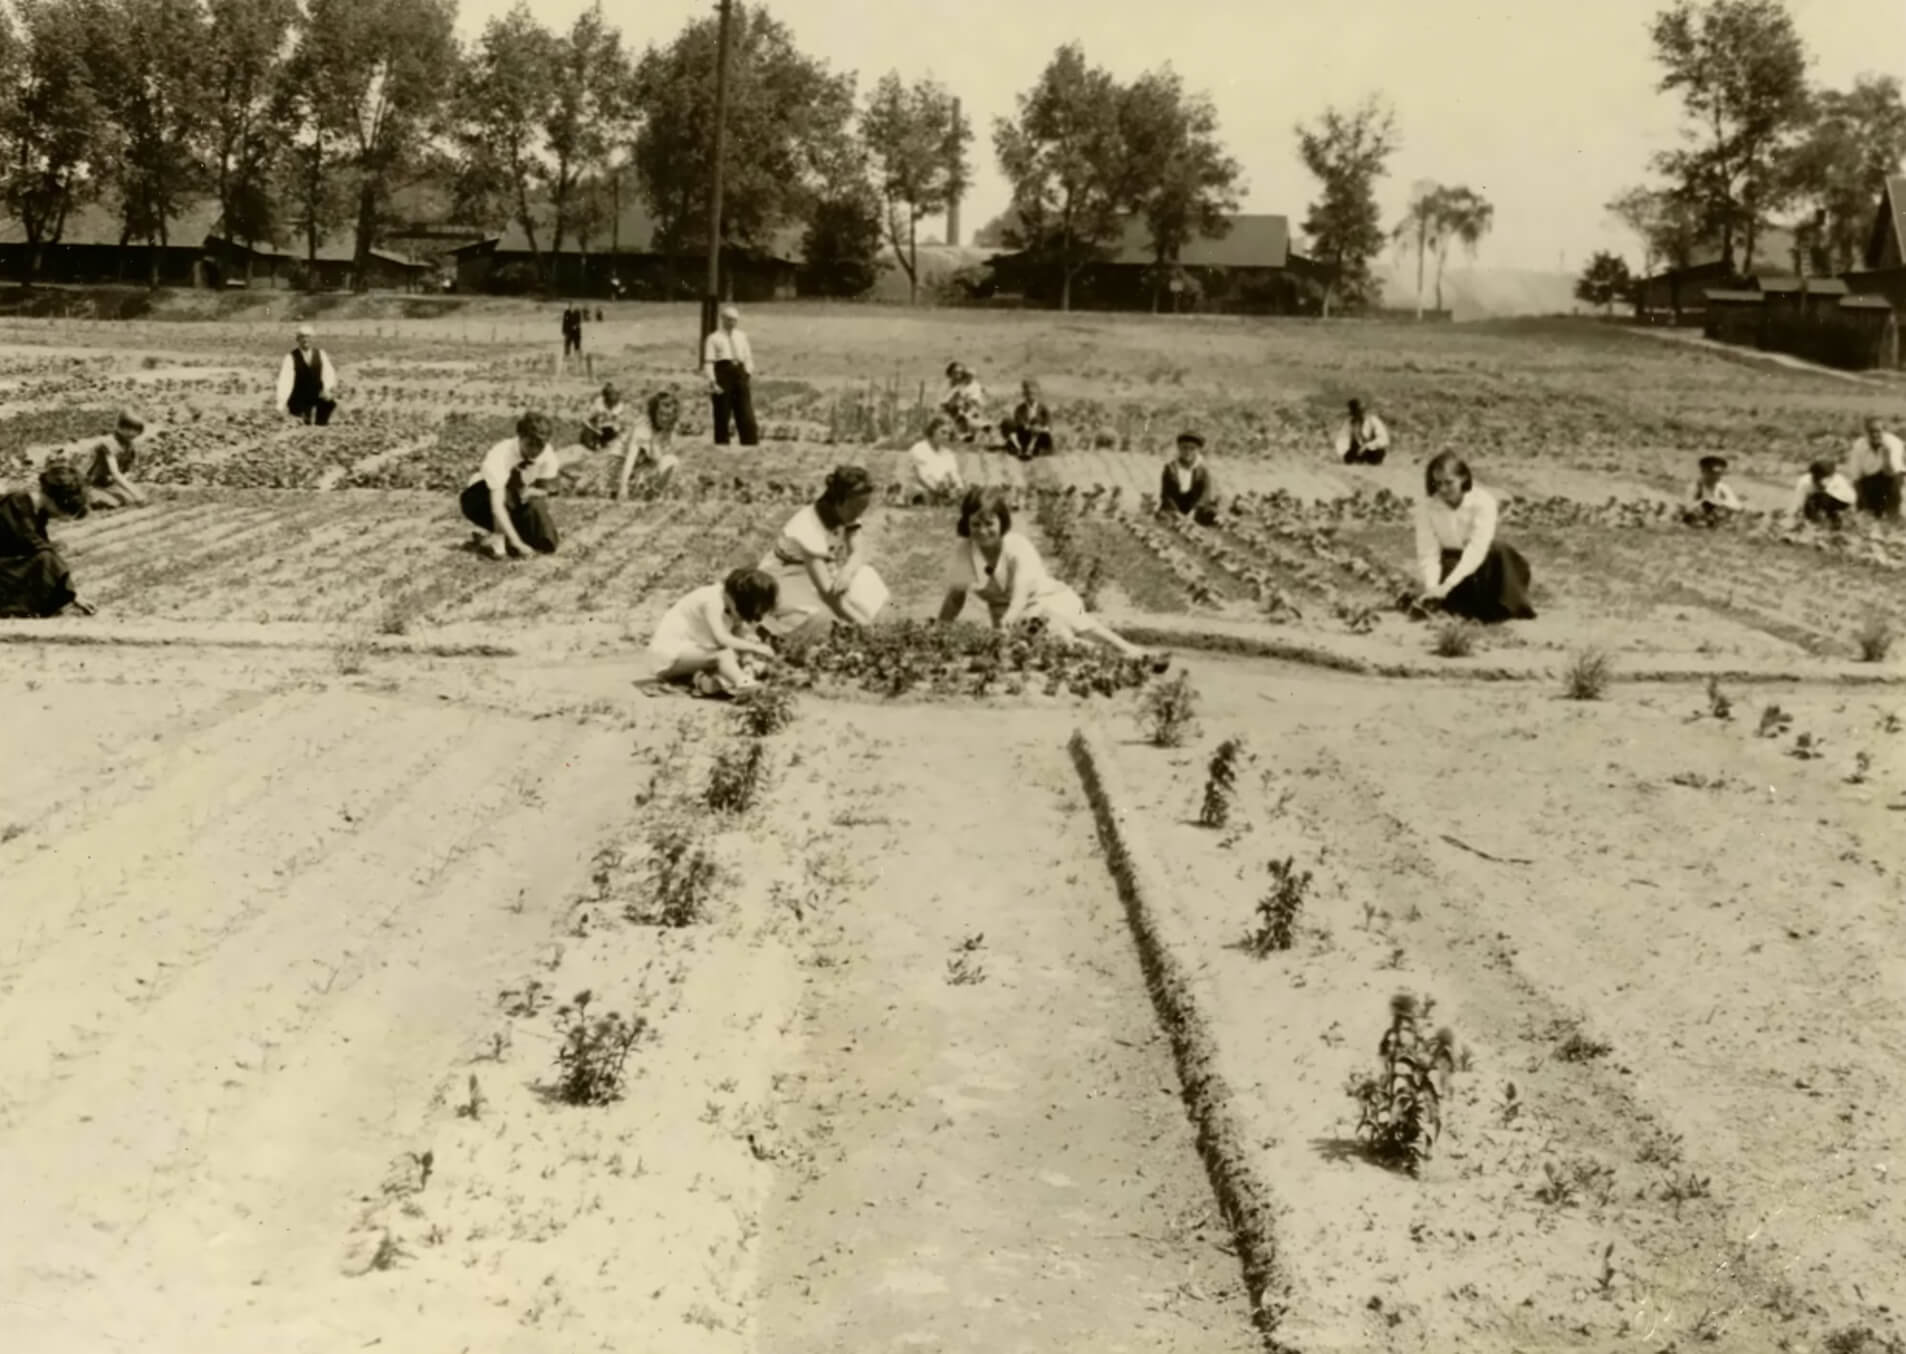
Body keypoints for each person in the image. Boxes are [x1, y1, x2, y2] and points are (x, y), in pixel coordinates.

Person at [939, 487, 1164, 666]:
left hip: (1043, 599)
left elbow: (1019, 596)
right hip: (1006, 613)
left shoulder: (1016, 546)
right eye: (975, 524)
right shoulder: (964, 552)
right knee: (1055, 644)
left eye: (989, 524)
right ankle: (1111, 658)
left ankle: (1132, 651)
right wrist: (939, 632)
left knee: (1080, 626)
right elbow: (954, 599)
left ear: (1002, 522)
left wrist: (1007, 623)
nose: (982, 531)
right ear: (966, 524)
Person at [758, 465, 884, 639]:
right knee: (817, 615)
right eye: (855, 508)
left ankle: (853, 627)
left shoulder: (847, 512)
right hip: (785, 575)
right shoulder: (809, 527)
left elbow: (857, 551)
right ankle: (768, 630)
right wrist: (863, 625)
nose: (858, 514)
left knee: (867, 578)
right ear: (838, 501)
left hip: (817, 571)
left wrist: (847, 572)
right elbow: (828, 593)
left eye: (862, 509)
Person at [1412, 451, 1536, 623]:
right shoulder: (1427, 508)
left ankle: (1503, 607)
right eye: (1437, 483)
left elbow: (1477, 549)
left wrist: (1448, 585)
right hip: (1450, 561)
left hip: (1484, 560)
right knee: (1451, 579)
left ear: (1463, 478)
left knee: (1499, 550)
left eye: (1449, 483)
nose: (1442, 489)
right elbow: (1428, 552)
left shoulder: (1483, 502)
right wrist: (1434, 588)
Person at [645, 567, 780, 697]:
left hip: (693, 653)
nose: (739, 618)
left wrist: (748, 662)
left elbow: (740, 632)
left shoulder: (730, 604)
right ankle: (743, 683)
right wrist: (756, 648)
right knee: (723, 655)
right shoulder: (711, 600)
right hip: (669, 655)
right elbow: (722, 638)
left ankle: (706, 682)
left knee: (751, 662)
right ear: (736, 599)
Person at [459, 410, 569, 559]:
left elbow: (548, 489)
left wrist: (532, 492)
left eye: (540, 445)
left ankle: (490, 539)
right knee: (511, 545)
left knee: (547, 542)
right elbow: (497, 507)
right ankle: (498, 540)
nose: (535, 450)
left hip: (515, 498)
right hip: (480, 499)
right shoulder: (500, 455)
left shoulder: (547, 454)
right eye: (530, 444)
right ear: (520, 437)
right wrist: (518, 543)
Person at [0, 461, 94, 618]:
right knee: (45, 559)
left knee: (46, 558)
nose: (62, 516)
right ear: (51, 498)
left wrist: (74, 595)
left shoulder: (36, 510)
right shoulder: (16, 505)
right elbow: (40, 550)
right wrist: (73, 595)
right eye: (62, 509)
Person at [701, 303, 759, 447]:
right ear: (723, 319)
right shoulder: (713, 338)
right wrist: (713, 381)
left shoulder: (742, 336)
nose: (732, 322)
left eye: (734, 320)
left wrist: (747, 372)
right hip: (722, 372)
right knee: (722, 412)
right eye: (729, 319)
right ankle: (722, 444)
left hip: (739, 373)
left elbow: (748, 357)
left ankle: (749, 443)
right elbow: (709, 362)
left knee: (746, 412)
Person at [615, 391, 684, 500]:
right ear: (653, 412)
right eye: (661, 414)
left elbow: (663, 457)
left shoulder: (669, 427)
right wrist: (623, 486)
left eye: (668, 415)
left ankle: (654, 492)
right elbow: (630, 458)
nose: (664, 418)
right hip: (622, 463)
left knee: (672, 461)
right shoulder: (642, 428)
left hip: (646, 464)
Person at [78, 410, 148, 510]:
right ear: (119, 427)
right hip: (92, 483)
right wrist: (135, 492)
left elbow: (126, 471)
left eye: (135, 430)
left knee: (128, 499)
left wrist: (129, 484)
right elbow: (115, 473)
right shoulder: (109, 443)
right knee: (112, 503)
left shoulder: (128, 445)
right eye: (127, 428)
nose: (132, 433)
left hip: (108, 484)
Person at [276, 324, 339, 425]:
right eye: (302, 337)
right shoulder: (291, 357)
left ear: (312, 339)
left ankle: (321, 426)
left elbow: (329, 374)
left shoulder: (321, 354)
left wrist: (327, 389)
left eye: (308, 337)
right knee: (303, 423)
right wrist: (281, 403)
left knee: (329, 403)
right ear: (297, 339)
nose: (305, 340)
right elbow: (285, 381)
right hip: (298, 398)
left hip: (316, 395)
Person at [1848, 416, 1904, 522]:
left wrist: (1886, 456)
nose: (1875, 435)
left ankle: (1893, 515)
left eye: (1878, 431)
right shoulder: (1858, 445)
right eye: (1871, 432)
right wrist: (1863, 502)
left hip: (1891, 478)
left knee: (1892, 514)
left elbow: (1892, 472)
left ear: (1884, 431)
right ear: (1866, 432)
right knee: (1868, 516)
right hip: (1869, 480)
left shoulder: (1894, 443)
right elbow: (1856, 477)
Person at [1159, 431, 1219, 526]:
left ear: (1198, 450)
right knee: (1164, 519)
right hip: (1175, 506)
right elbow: (1166, 494)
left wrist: (1194, 511)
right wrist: (1176, 512)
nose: (1188, 452)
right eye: (1184, 448)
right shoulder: (1170, 468)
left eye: (1192, 448)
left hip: (1194, 507)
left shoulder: (1203, 470)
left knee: (1212, 514)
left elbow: (1205, 494)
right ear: (1179, 449)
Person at [905, 415, 965, 504]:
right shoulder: (919, 449)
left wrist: (959, 489)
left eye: (948, 433)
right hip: (922, 489)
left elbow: (954, 474)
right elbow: (922, 477)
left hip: (942, 490)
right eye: (943, 432)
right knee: (923, 495)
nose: (946, 436)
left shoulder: (948, 453)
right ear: (933, 431)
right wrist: (940, 492)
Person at [1788, 458, 1856, 528]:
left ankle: (1832, 519)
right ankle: (1814, 521)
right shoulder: (1805, 482)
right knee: (1812, 500)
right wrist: (1792, 515)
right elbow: (1797, 502)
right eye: (1819, 477)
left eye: (1829, 477)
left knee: (1822, 498)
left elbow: (1850, 499)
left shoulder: (1837, 480)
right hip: (1816, 504)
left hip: (1836, 503)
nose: (1827, 480)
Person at [1679, 454, 1743, 527]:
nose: (1715, 476)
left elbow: (1737, 506)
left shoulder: (1722, 487)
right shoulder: (1695, 486)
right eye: (1712, 473)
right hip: (1700, 515)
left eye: (1719, 473)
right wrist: (1704, 502)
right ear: (1703, 471)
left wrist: (1721, 502)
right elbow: (1687, 506)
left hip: (1717, 515)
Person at [1000, 380, 1054, 460]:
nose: (1030, 396)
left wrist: (1039, 428)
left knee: (1036, 423)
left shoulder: (1043, 409)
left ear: (1037, 394)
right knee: (1007, 422)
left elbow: (1049, 425)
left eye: (1033, 393)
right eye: (1028, 393)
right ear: (1024, 395)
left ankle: (1029, 450)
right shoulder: (1020, 408)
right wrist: (1028, 427)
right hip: (1025, 435)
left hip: (1039, 437)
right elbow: (1019, 422)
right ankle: (1019, 448)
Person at [940, 363, 989, 443]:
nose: (958, 375)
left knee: (969, 415)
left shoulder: (968, 385)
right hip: (951, 411)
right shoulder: (945, 386)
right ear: (950, 373)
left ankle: (971, 432)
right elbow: (943, 402)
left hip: (968, 410)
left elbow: (976, 399)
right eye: (955, 372)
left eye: (960, 373)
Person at [1336, 398, 1391, 465]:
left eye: (1361, 411)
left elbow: (1384, 439)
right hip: (1357, 450)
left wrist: (1367, 446)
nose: (1359, 414)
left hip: (1372, 450)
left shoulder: (1373, 420)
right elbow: (1342, 438)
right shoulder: (1350, 422)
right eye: (1356, 412)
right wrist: (1343, 453)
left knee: (1378, 453)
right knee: (1349, 457)